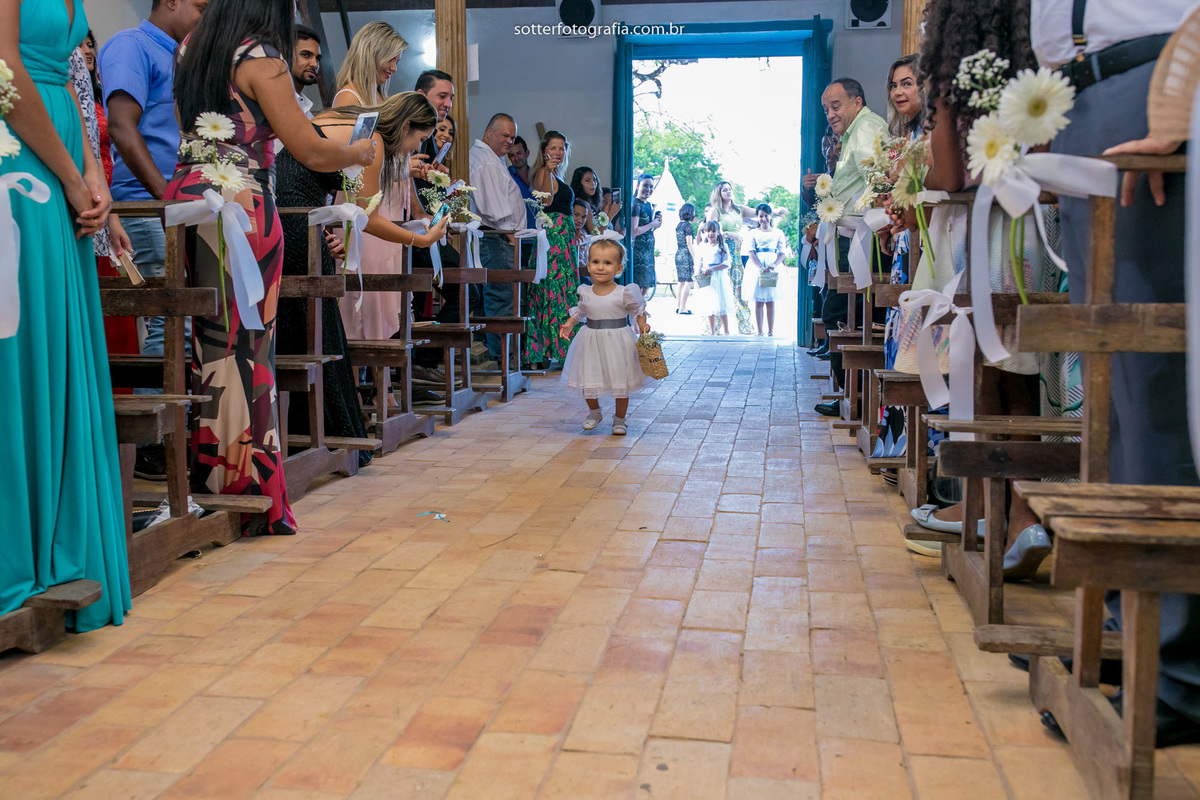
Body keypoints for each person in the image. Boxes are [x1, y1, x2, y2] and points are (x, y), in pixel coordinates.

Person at [1034, 0, 1200, 748]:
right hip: (1081, 97)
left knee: (1157, 381)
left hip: (1157, 80)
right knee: (1109, 390)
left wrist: (1183, 100)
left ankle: (1177, 666)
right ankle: (1126, 626)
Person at [166, 0, 377, 534]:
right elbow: (309, 149)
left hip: (192, 197)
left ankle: (214, 476)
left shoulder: (192, 48)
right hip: (243, 204)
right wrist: (358, 153)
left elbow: (186, 128)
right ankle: (248, 489)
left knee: (211, 345)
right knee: (248, 346)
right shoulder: (263, 58)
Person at [2, 0, 131, 633]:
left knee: (57, 348)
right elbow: (5, 65)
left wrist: (92, 169)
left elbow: (66, 80)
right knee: (25, 346)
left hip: (61, 157)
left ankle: (60, 541)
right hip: (20, 152)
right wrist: (70, 175)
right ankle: (18, 546)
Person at [276, 93, 447, 464]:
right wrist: (420, 239)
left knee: (307, 321)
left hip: (298, 209)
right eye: (418, 140)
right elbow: (367, 216)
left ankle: (303, 432)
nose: (416, 149)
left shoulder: (358, 120)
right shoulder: (374, 139)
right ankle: (328, 436)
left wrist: (331, 229)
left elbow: (345, 201)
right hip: (297, 214)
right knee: (316, 322)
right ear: (406, 126)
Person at [98, 0, 205, 476]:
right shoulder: (131, 45)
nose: (205, 16)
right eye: (200, 6)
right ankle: (149, 443)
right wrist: (166, 198)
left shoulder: (181, 55)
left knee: (185, 320)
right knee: (166, 320)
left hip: (177, 203)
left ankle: (176, 432)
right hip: (145, 204)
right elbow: (122, 128)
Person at [331, 22, 410, 344]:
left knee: (387, 297)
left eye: (397, 61)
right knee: (364, 300)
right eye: (391, 59)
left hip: (383, 201)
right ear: (372, 53)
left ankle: (383, 372)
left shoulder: (377, 95)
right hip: (360, 202)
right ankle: (360, 371)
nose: (394, 68)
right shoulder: (348, 97)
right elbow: (349, 159)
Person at [812, 77, 887, 413]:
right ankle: (852, 398)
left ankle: (857, 401)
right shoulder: (856, 132)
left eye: (836, 105)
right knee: (844, 316)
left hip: (863, 239)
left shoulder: (867, 128)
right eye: (826, 109)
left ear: (857, 102)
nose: (830, 114)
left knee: (843, 316)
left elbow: (879, 183)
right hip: (850, 236)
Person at [71, 37, 138, 368]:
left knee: (114, 312)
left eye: (90, 44)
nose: (87, 50)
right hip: (78, 198)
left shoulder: (96, 97)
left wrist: (113, 219)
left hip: (103, 200)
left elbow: (98, 156)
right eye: (81, 44)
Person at [558, 239, 651, 436]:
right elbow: (581, 311)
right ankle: (594, 412)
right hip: (591, 341)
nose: (600, 267)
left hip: (618, 342)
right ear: (588, 264)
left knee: (621, 382)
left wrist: (642, 325)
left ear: (618, 268)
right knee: (587, 378)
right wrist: (569, 324)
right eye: (595, 262)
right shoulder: (585, 291)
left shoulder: (624, 292)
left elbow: (638, 310)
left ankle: (619, 420)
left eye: (607, 263)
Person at [470, 113, 526, 362]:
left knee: (499, 297)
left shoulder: (492, 159)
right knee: (501, 297)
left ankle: (501, 356)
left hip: (498, 236)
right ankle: (503, 358)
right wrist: (511, 236)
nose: (509, 141)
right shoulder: (486, 161)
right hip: (497, 236)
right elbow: (494, 209)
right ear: (488, 132)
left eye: (512, 137)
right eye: (505, 135)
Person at [524, 130, 577, 367]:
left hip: (565, 238)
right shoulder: (542, 173)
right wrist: (547, 168)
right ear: (544, 150)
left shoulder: (558, 175)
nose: (557, 152)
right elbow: (545, 201)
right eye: (553, 148)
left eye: (561, 148)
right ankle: (547, 350)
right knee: (552, 291)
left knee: (565, 291)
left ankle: (563, 348)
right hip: (553, 238)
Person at [745, 203, 785, 337]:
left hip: (772, 265)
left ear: (770, 216)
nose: (763, 219)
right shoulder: (753, 232)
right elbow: (750, 251)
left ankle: (771, 331)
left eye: (766, 215)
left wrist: (774, 264)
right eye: (760, 216)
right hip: (758, 266)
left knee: (770, 300)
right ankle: (759, 330)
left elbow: (782, 252)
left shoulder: (778, 232)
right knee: (759, 300)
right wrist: (759, 266)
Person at [694, 221, 735, 336]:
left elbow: (726, 263)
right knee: (709, 302)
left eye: (713, 231)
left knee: (720, 302)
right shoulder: (703, 246)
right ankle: (712, 331)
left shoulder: (722, 246)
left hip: (718, 277)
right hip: (707, 277)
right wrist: (700, 272)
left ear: (718, 232)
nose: (710, 234)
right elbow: (699, 262)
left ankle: (726, 330)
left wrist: (713, 269)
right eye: (708, 231)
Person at [629, 173, 661, 295]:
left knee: (644, 289)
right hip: (639, 252)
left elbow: (647, 228)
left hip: (648, 251)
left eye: (651, 187)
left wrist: (656, 224)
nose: (648, 189)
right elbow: (634, 231)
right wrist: (652, 224)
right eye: (645, 186)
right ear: (638, 186)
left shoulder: (648, 205)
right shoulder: (636, 204)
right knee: (638, 289)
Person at [508, 135, 536, 228]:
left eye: (519, 153)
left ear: (527, 153)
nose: (516, 158)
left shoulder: (537, 175)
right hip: (516, 231)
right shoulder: (506, 175)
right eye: (512, 155)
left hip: (538, 231)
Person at [674, 203, 697, 315]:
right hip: (686, 255)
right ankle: (683, 307)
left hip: (678, 253)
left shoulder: (679, 225)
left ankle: (678, 306)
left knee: (681, 282)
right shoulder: (688, 226)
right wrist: (695, 257)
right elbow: (689, 243)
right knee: (688, 281)